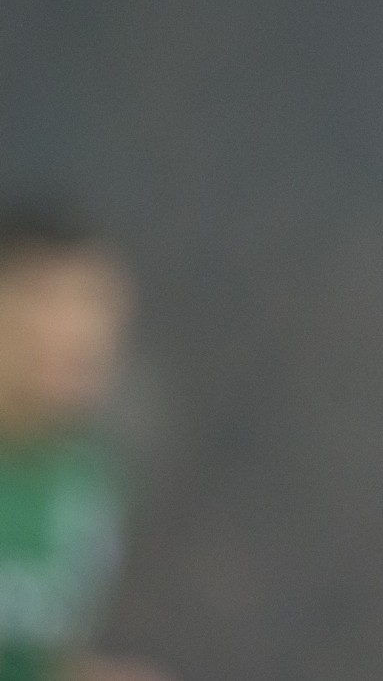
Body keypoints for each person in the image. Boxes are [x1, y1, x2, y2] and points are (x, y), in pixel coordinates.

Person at [0, 208, 170, 681]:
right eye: (50, 302)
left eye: (100, 309)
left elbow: (31, 656)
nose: (82, 333)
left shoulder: (88, 481)